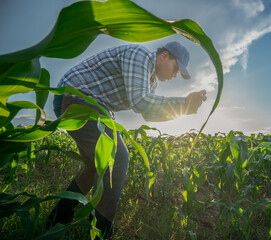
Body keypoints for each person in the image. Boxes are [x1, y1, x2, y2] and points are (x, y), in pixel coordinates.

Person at [49, 41, 206, 239]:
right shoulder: (139, 55)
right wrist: (183, 102)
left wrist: (186, 108)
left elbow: (148, 114)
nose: (175, 75)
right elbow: (140, 101)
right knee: (117, 157)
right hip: (77, 97)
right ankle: (100, 232)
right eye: (176, 69)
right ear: (164, 56)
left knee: (94, 166)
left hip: (86, 104)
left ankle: (57, 219)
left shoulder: (151, 81)